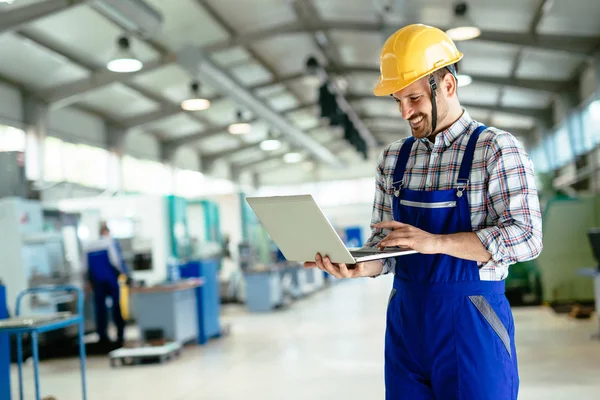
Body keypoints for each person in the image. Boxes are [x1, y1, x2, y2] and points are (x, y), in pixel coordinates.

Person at [304, 24, 543, 400]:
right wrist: (361, 265)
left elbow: (527, 238)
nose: (405, 112)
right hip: (406, 319)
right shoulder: (394, 158)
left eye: (413, 98)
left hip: (472, 319)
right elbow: (385, 246)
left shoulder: (496, 149)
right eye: (397, 101)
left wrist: (436, 243)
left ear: (447, 85)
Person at [82, 222, 129, 348]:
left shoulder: (88, 246)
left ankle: (102, 337)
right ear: (107, 232)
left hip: (97, 282)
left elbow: (84, 267)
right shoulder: (109, 243)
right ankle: (120, 336)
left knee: (100, 309)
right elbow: (116, 261)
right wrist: (125, 274)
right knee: (116, 307)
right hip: (111, 280)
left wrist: (88, 282)